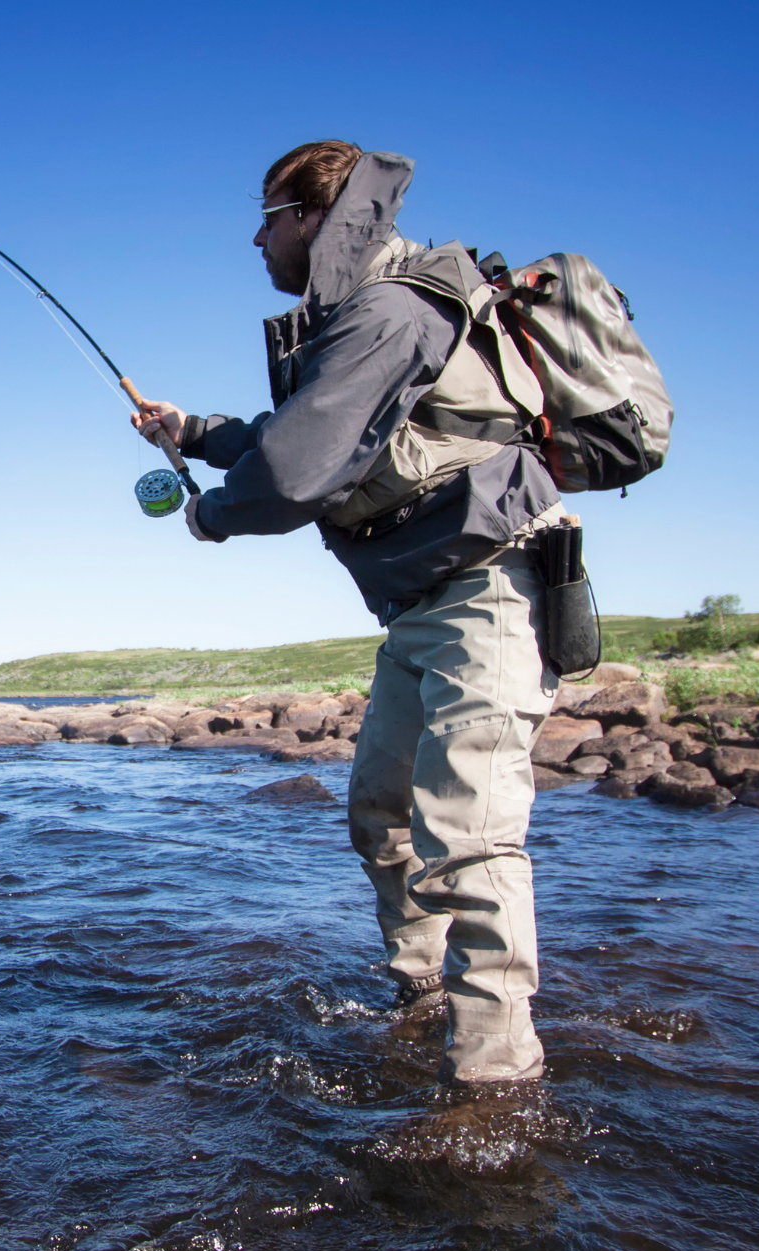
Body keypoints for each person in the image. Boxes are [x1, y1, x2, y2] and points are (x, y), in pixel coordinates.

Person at [132, 141, 561, 1084]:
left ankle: (493, 1087)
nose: (258, 235)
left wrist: (209, 515)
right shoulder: (361, 315)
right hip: (421, 607)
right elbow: (316, 434)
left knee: (472, 842)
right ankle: (424, 1000)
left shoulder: (393, 306)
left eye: (271, 213)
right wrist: (192, 432)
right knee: (382, 815)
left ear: (319, 213)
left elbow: (291, 473)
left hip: (489, 593)